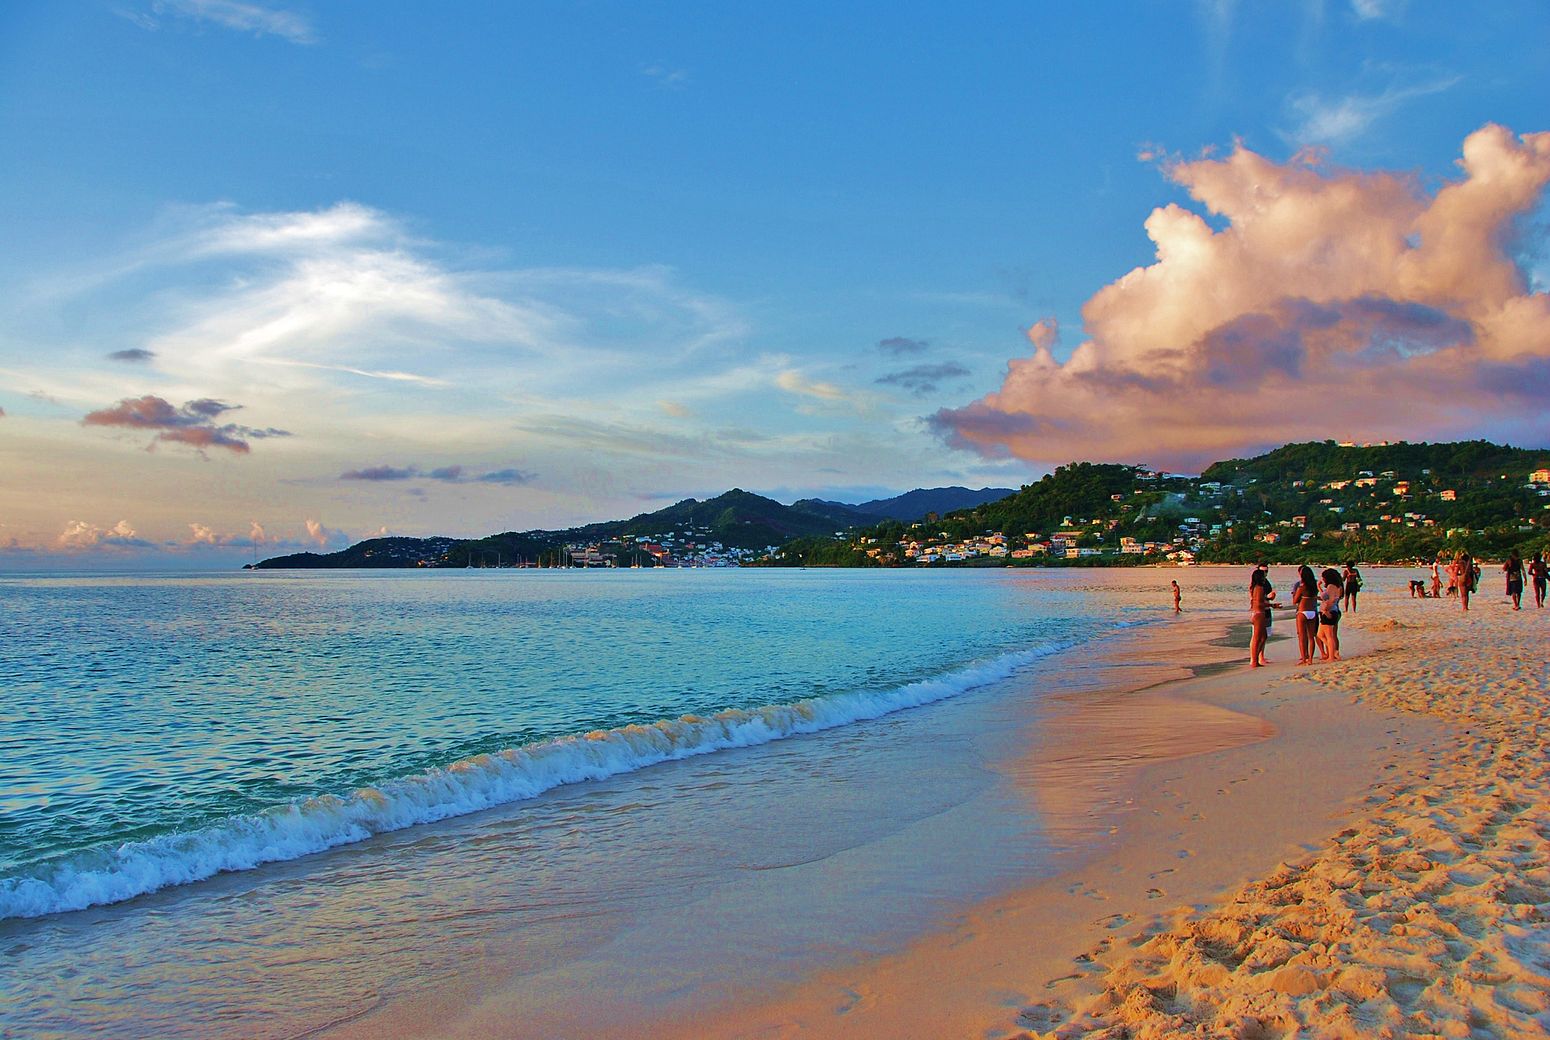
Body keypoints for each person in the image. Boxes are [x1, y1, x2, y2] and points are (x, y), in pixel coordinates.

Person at [1291, 565, 1320, 665]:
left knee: (1302, 637)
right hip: (1312, 612)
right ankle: (1310, 659)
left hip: (1302, 612)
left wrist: (1294, 595)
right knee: (1311, 637)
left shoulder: (1301, 587)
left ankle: (1304, 659)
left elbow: (1295, 601)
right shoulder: (1314, 587)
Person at [1249, 568, 1273, 668]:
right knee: (1257, 638)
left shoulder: (1255, 587)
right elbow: (1259, 603)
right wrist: (1272, 605)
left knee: (1263, 637)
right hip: (1259, 614)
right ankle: (1254, 661)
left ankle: (1256, 659)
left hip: (1258, 614)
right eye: (1263, 576)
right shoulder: (1259, 588)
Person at [1318, 568, 1343, 660]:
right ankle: (1333, 651)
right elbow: (1326, 597)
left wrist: (1325, 610)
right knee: (1320, 635)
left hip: (1330, 611)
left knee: (1329, 635)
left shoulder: (1331, 586)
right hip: (1331, 610)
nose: (1323, 579)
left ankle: (1332, 656)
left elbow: (1331, 600)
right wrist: (1319, 587)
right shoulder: (1335, 586)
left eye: (1323, 577)